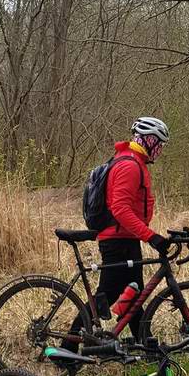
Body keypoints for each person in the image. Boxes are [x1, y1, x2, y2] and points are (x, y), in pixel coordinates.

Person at [69, 117, 172, 349]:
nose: (161, 151)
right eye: (160, 145)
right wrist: (151, 236)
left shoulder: (134, 162)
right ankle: (68, 345)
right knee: (108, 293)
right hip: (117, 240)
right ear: (149, 141)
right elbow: (120, 209)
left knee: (135, 293)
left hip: (126, 238)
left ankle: (143, 341)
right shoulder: (129, 165)